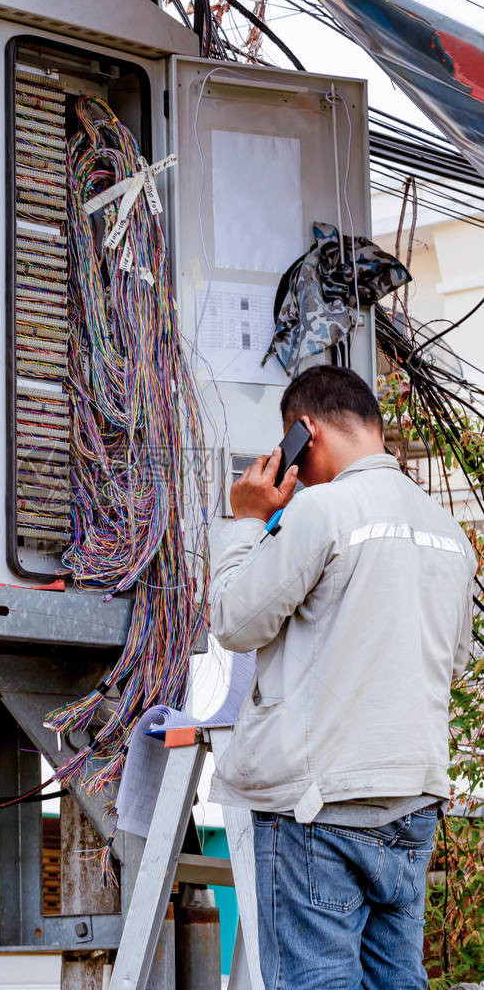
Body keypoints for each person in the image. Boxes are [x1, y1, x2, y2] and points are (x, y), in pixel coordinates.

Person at [208, 365, 476, 990]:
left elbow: (233, 620)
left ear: (306, 433)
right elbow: (452, 662)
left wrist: (248, 519)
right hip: (412, 803)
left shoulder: (321, 511)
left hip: (318, 810)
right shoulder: (448, 532)